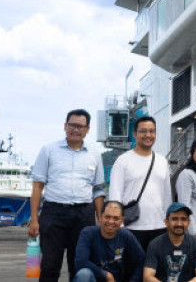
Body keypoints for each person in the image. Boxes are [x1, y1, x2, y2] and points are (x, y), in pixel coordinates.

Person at [28, 109, 106, 282]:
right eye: (72, 125)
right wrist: (34, 219)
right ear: (65, 126)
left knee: (80, 266)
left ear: (87, 129)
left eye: (80, 126)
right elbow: (38, 187)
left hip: (84, 215)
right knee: (49, 266)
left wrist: (100, 218)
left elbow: (98, 190)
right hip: (53, 213)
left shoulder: (94, 154)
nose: (75, 130)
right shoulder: (48, 150)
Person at [109, 116, 172, 251]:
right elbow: (115, 195)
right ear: (135, 134)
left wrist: (168, 222)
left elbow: (167, 196)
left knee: (156, 265)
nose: (148, 135)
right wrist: (119, 225)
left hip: (159, 227)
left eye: (152, 131)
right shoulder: (123, 161)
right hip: (131, 228)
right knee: (132, 264)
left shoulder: (162, 161)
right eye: (143, 131)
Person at [74, 201, 145, 282]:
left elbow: (142, 261)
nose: (111, 221)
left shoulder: (126, 236)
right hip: (94, 279)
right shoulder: (88, 233)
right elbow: (81, 262)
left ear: (122, 220)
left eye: (116, 218)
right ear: (100, 217)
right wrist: (106, 275)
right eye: (107, 217)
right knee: (84, 274)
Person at [143, 202, 196, 282]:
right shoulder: (155, 245)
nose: (179, 223)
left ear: (189, 222)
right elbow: (147, 277)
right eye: (174, 219)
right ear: (166, 222)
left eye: (183, 219)